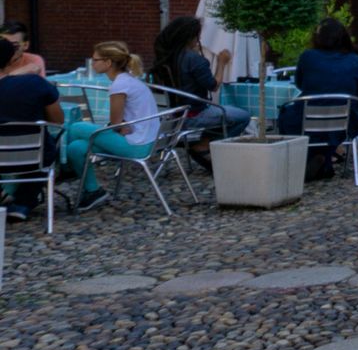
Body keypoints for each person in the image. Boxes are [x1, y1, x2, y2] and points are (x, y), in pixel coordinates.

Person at [62, 41, 159, 213]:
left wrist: (119, 126)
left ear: (108, 63)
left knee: (76, 127)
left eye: (95, 60)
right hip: (148, 140)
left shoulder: (119, 85)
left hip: (136, 146)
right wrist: (120, 126)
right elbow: (119, 124)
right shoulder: (129, 80)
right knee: (75, 148)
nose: (92, 63)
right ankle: (93, 191)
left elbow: (115, 123)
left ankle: (63, 168)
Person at [148, 16, 250, 169]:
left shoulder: (165, 58)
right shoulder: (194, 60)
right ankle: (204, 145)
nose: (200, 38)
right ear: (190, 36)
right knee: (243, 116)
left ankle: (202, 144)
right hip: (195, 114)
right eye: (198, 35)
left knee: (224, 114)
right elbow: (213, 86)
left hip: (172, 116)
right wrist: (221, 62)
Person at [280, 19, 358, 179]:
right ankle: (325, 160)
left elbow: (300, 84)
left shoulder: (308, 57)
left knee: (287, 114)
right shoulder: (355, 60)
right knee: (335, 123)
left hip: (308, 118)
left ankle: (309, 161)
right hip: (344, 120)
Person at [0, 37, 63, 222]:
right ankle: (23, 202)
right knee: (48, 146)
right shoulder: (35, 83)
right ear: (12, 59)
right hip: (32, 156)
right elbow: (57, 120)